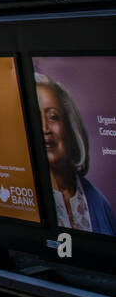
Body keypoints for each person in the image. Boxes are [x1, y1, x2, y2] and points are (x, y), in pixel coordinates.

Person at [36, 73, 116, 234]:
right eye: (36, 117)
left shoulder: (98, 202)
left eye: (53, 117)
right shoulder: (25, 198)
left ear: (70, 128)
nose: (45, 128)